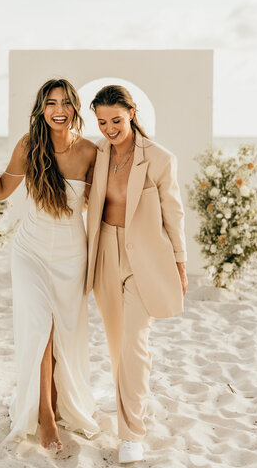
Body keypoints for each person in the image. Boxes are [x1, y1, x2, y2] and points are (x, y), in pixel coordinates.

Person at [0, 79, 99, 451]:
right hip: (30, 250)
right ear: (41, 109)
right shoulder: (29, 145)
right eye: (51, 103)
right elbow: (1, 189)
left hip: (71, 255)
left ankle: (54, 404)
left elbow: (100, 208)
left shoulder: (90, 152)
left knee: (62, 333)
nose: (58, 109)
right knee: (39, 328)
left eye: (65, 102)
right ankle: (45, 417)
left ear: (75, 107)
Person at [86, 85, 188, 464]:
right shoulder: (95, 154)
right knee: (116, 342)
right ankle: (127, 399)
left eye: (116, 119)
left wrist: (180, 264)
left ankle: (132, 433)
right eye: (101, 122)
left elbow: (174, 215)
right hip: (104, 255)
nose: (109, 128)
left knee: (134, 343)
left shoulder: (160, 159)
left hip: (146, 260)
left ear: (131, 112)